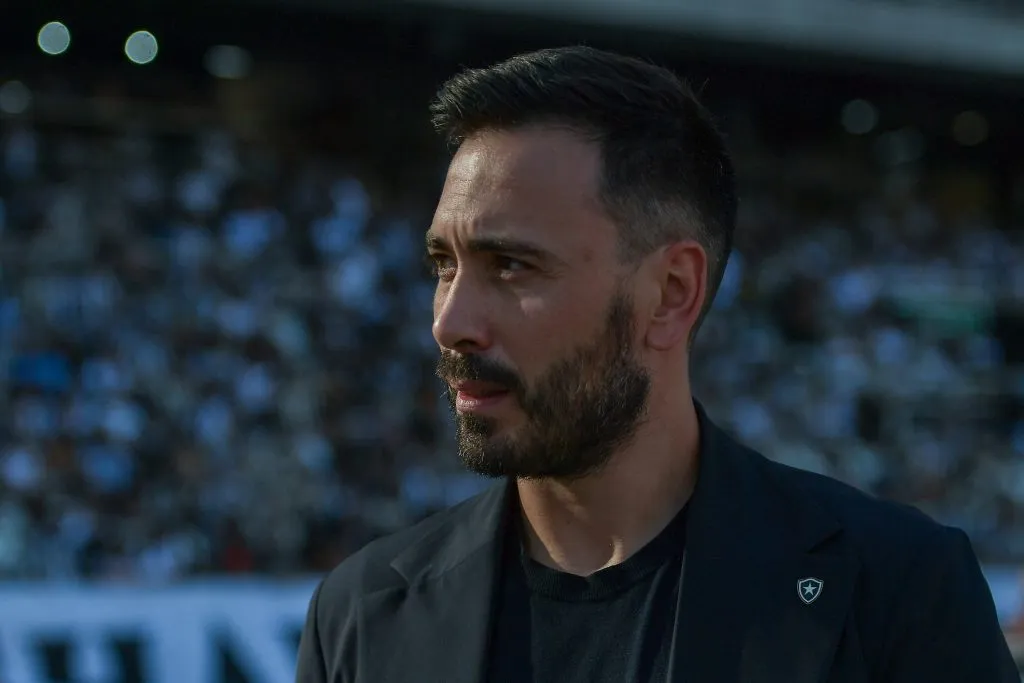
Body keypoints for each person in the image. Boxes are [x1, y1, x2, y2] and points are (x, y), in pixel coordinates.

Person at [295, 46, 1017, 683]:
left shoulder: (893, 592)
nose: (450, 322)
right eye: (442, 265)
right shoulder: (363, 614)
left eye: (512, 266)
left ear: (671, 294)